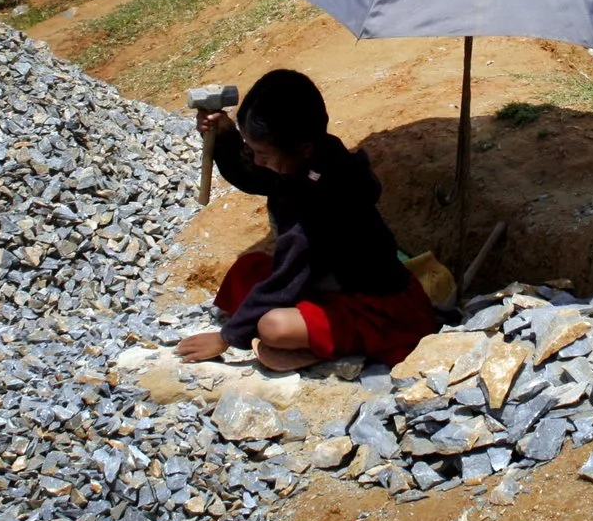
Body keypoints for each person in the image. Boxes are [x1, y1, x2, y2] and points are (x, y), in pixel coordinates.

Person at [173, 69, 438, 371]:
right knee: (245, 271)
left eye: (262, 153)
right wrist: (224, 136)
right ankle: (304, 337)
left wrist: (226, 338)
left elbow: (288, 274)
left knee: (273, 327)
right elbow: (257, 175)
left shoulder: (324, 196)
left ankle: (332, 351)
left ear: (302, 149)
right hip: (324, 279)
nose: (257, 160)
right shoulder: (309, 155)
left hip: (374, 303)